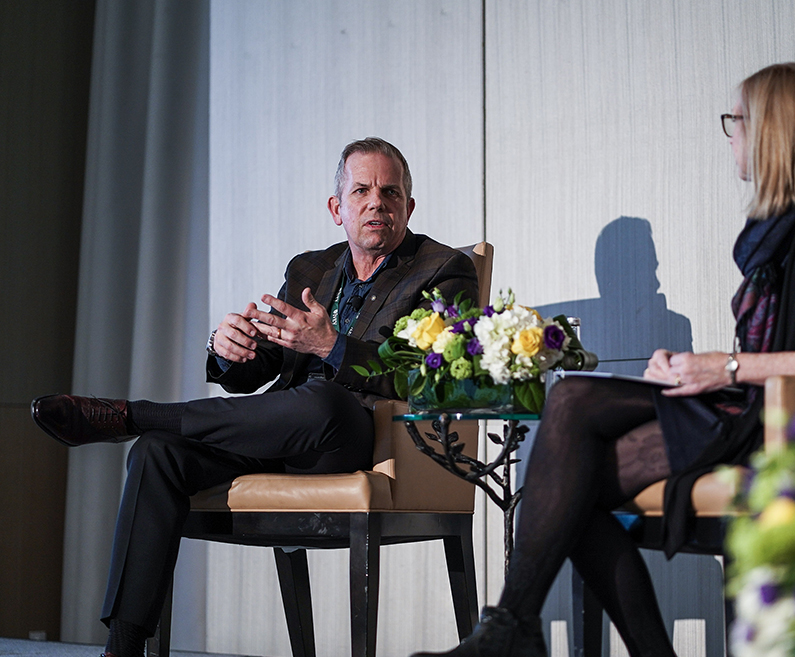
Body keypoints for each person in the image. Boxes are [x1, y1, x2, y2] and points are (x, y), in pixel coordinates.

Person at [415, 63, 795, 657]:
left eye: (737, 122)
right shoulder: (781, 223)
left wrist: (723, 368)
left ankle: (512, 630)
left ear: (776, 128)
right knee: (572, 458)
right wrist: (697, 367)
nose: (732, 137)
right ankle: (517, 629)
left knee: (570, 451)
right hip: (748, 402)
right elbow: (774, 349)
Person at [31, 137, 479, 657]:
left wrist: (331, 346)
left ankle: (133, 414)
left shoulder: (443, 271)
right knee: (157, 453)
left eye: (390, 191)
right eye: (361, 190)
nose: (376, 201)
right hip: (278, 435)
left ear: (409, 206)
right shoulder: (310, 269)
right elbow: (258, 370)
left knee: (324, 401)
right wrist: (226, 349)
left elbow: (431, 375)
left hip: (358, 439)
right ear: (338, 209)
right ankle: (124, 644)